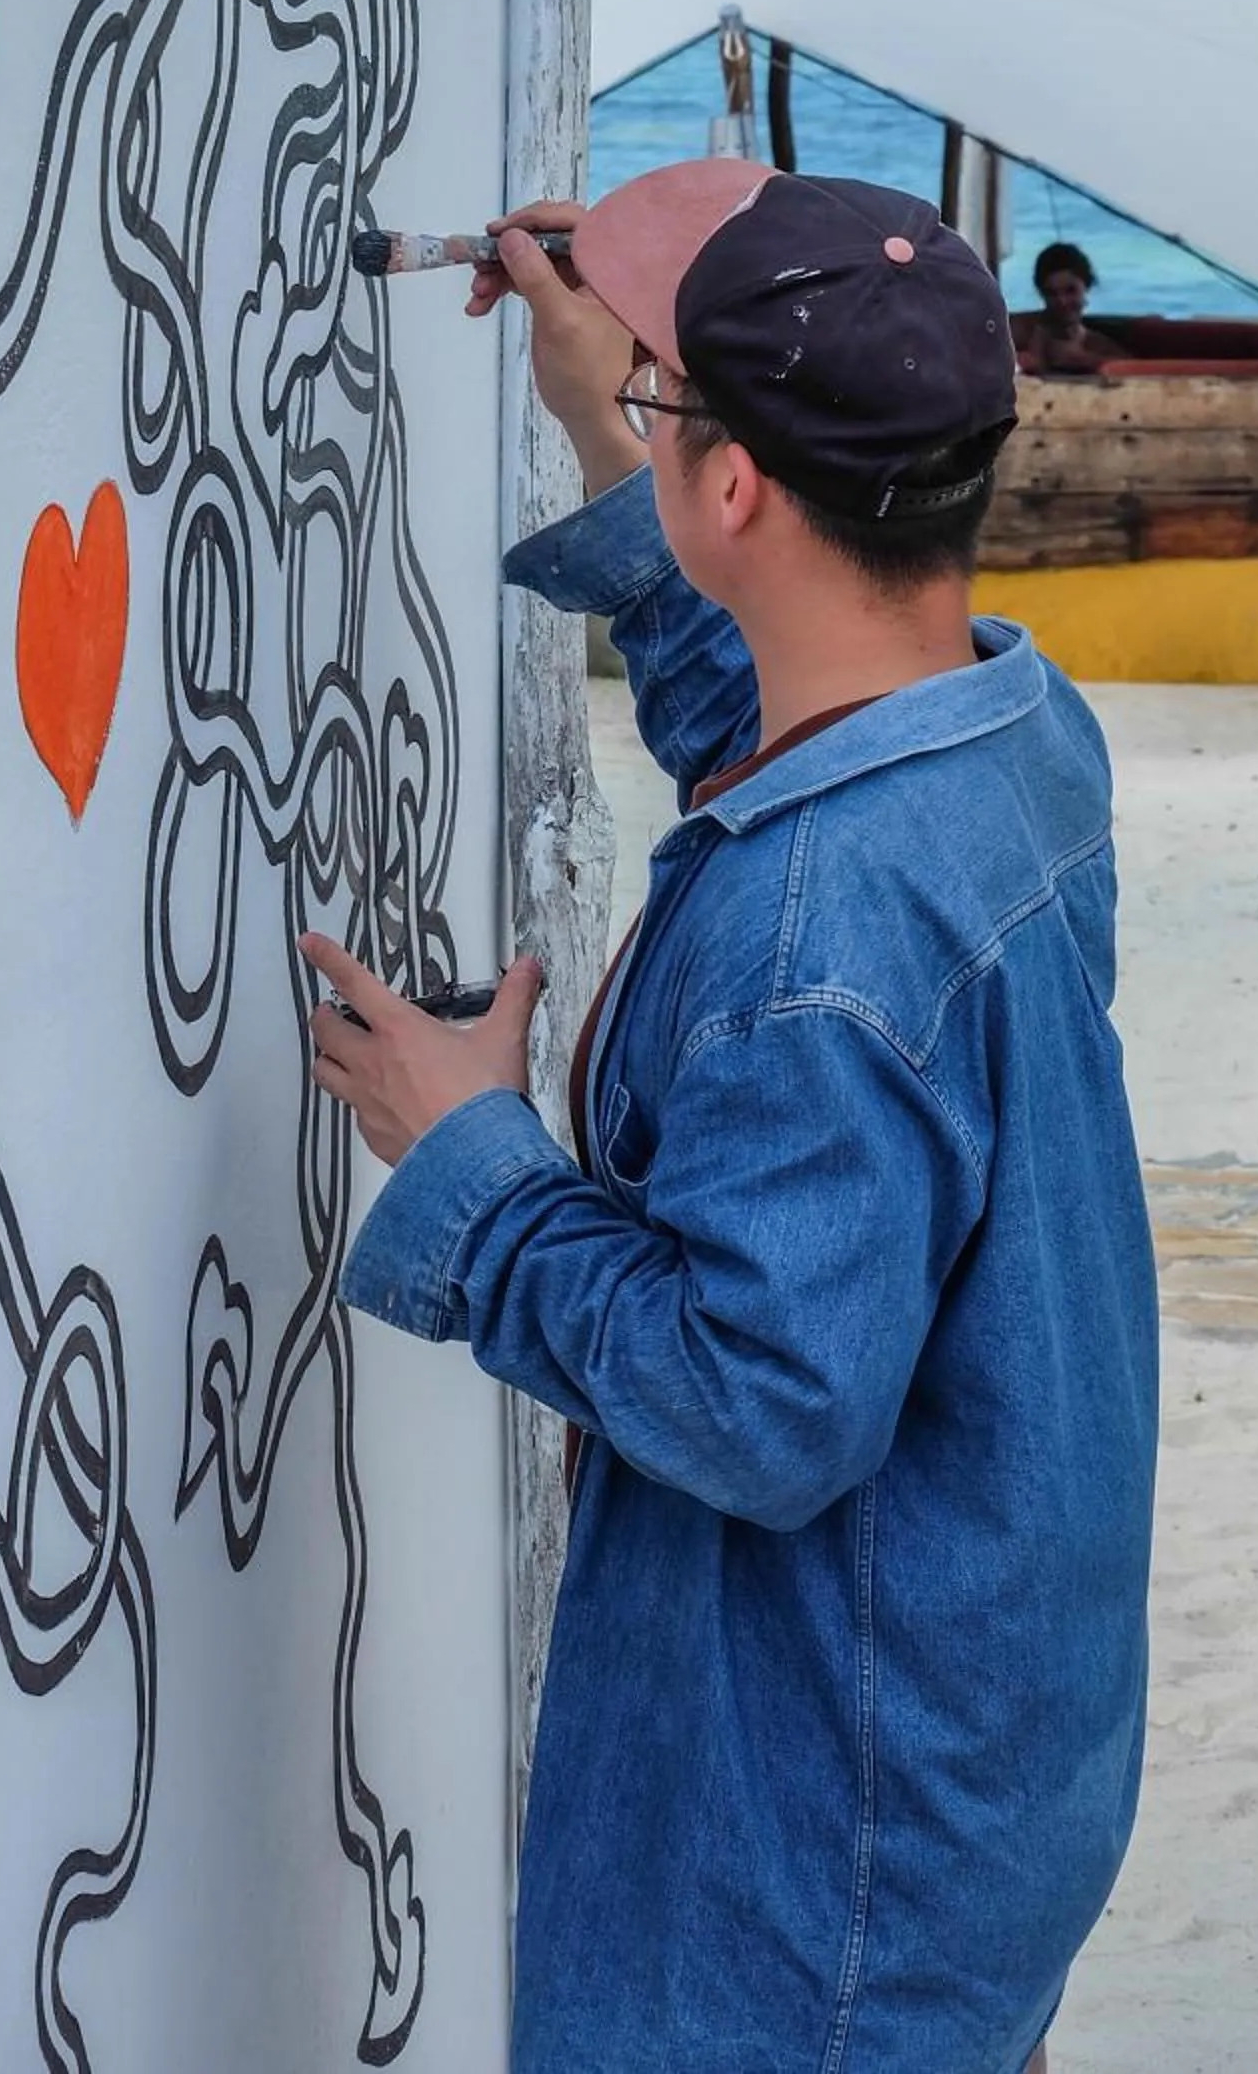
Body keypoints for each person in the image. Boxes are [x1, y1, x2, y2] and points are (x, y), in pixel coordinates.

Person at [301, 161, 1158, 2074]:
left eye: (666, 395)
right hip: (986, 1749)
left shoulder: (811, 930)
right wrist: (624, 437)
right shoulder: (1010, 731)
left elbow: (761, 1405)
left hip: (816, 1853)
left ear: (744, 490)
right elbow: (788, 735)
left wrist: (478, 1167)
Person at [1016, 239, 1123, 378]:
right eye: (1052, 293)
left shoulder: (1100, 346)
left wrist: (1087, 360)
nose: (1062, 301)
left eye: (1070, 291)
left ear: (1086, 286)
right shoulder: (1019, 334)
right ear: (1041, 293)